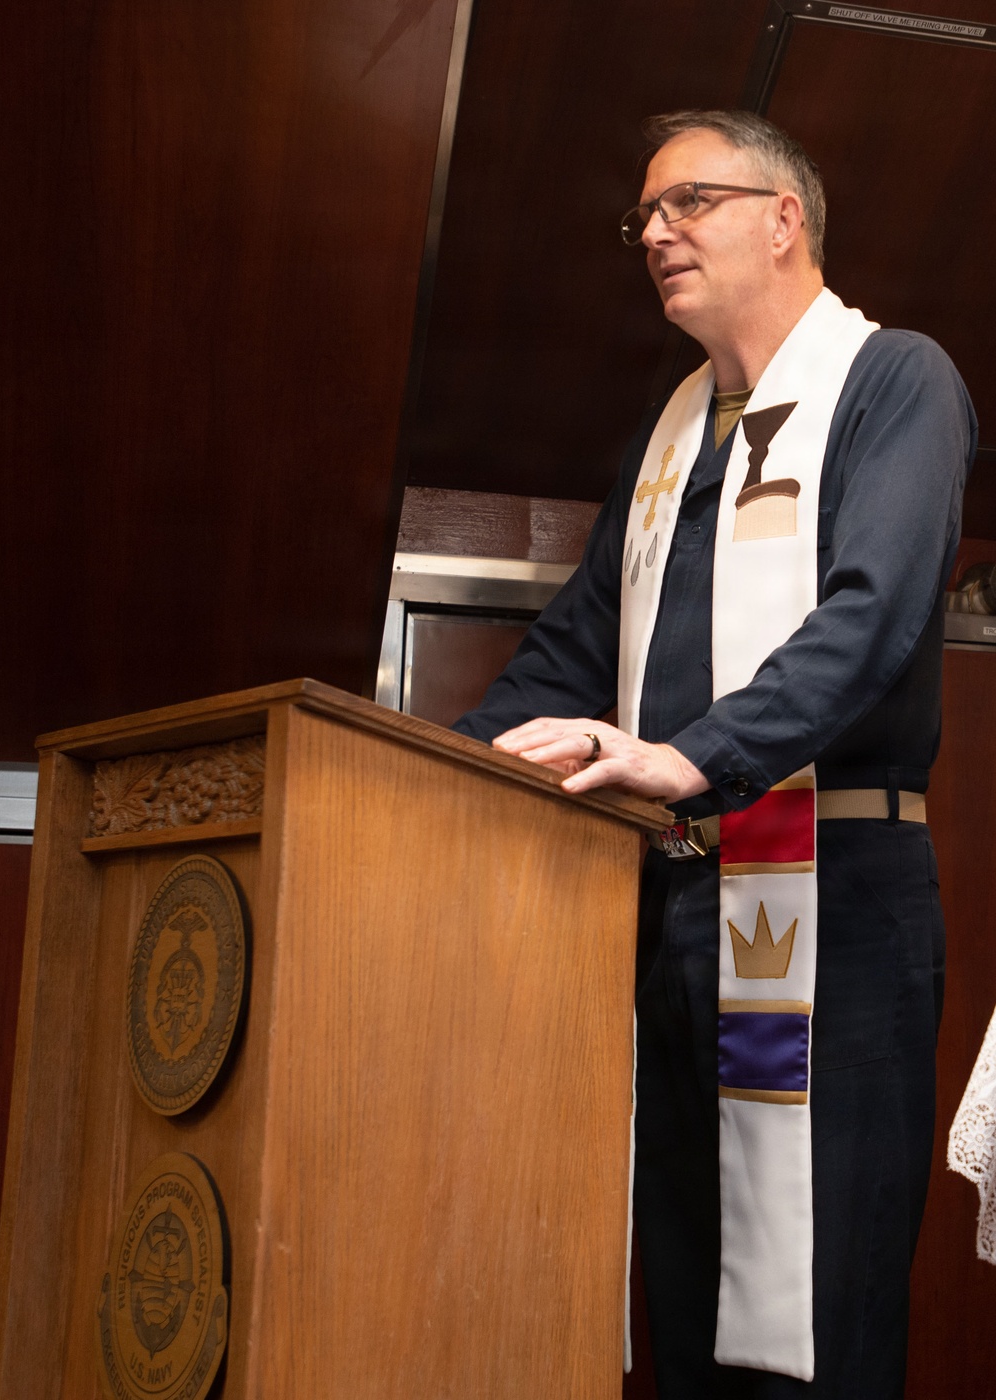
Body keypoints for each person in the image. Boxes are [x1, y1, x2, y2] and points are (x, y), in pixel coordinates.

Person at [452, 109, 976, 1398]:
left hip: (829, 900)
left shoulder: (895, 381)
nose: (653, 234)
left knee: (809, 1321)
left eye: (687, 203)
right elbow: (573, 655)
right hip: (674, 900)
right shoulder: (670, 433)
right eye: (643, 215)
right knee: (681, 1308)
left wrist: (689, 760)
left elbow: (872, 619)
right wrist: (421, 764)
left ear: (783, 217)